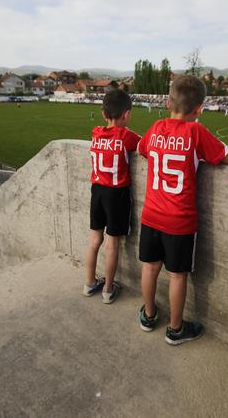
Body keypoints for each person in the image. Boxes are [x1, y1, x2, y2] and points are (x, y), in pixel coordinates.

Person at [137, 75, 228, 345]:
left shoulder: (156, 127)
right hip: (179, 220)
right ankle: (176, 329)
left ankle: (148, 315)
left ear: (169, 102)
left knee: (149, 267)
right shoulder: (196, 132)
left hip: (151, 215)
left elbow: (141, 149)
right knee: (177, 275)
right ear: (200, 108)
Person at [85, 89, 141, 303]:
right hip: (116, 194)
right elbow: (142, 145)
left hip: (96, 191)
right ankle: (108, 289)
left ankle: (89, 282)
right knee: (112, 244)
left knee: (94, 240)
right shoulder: (126, 136)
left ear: (103, 114)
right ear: (126, 115)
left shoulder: (95, 132)